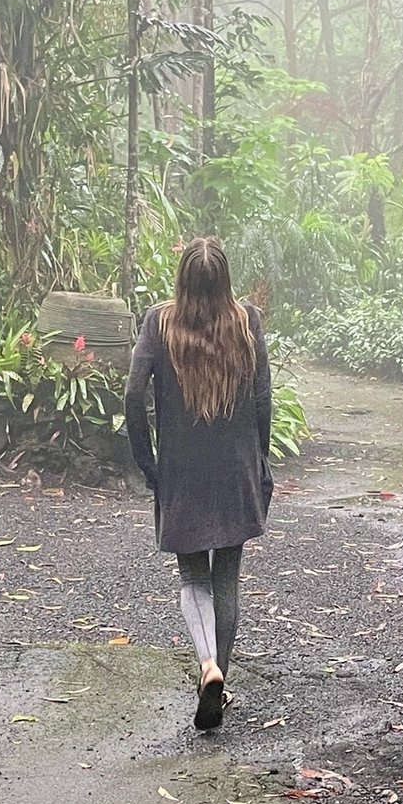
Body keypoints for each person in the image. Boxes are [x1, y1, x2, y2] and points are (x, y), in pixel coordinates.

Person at [125, 237, 273, 731]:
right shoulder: (247, 321)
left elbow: (132, 394)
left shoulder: (159, 322)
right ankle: (219, 679)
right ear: (224, 280)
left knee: (193, 577)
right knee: (226, 577)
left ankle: (207, 665)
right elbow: (262, 402)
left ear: (182, 279)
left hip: (183, 470)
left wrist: (148, 462)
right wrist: (261, 462)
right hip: (234, 468)